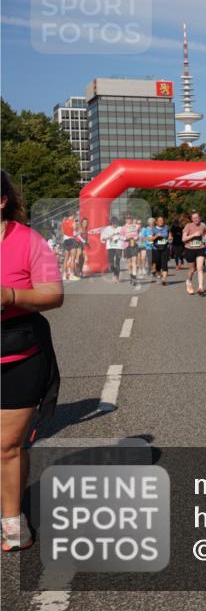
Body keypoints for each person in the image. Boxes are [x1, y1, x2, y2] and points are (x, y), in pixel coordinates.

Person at [1, 171, 63, 552]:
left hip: (16, 354)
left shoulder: (29, 241)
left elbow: (53, 294)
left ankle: (11, 518)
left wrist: (9, 295)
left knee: (6, 446)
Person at [182, 211, 206, 296]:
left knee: (200, 268)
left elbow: (205, 234)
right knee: (192, 270)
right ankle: (188, 282)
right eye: (194, 218)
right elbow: (183, 239)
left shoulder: (203, 226)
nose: (196, 219)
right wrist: (193, 235)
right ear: (191, 219)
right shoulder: (188, 226)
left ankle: (200, 287)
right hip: (190, 249)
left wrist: (205, 241)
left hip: (200, 248)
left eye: (197, 217)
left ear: (199, 218)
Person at [100, 216, 124, 283]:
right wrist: (108, 237)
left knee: (117, 262)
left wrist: (119, 236)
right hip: (110, 247)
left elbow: (124, 237)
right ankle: (115, 273)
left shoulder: (121, 228)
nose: (115, 224)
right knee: (111, 264)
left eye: (116, 222)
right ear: (111, 223)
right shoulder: (107, 229)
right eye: (114, 223)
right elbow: (102, 238)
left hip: (119, 247)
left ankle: (116, 277)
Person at [150, 216, 171, 285]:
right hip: (156, 248)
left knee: (164, 263)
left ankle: (164, 279)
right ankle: (158, 273)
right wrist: (156, 236)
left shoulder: (167, 227)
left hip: (165, 248)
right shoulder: (153, 229)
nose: (161, 221)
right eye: (159, 220)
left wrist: (170, 238)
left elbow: (170, 236)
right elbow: (150, 239)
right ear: (156, 222)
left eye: (162, 220)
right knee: (157, 263)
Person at [59, 213, 78, 281]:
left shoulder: (63, 223)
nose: (74, 217)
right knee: (72, 258)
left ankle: (64, 275)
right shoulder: (73, 222)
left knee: (66, 258)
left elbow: (62, 232)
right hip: (72, 240)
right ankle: (71, 275)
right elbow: (75, 229)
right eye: (73, 216)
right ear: (71, 216)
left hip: (65, 240)